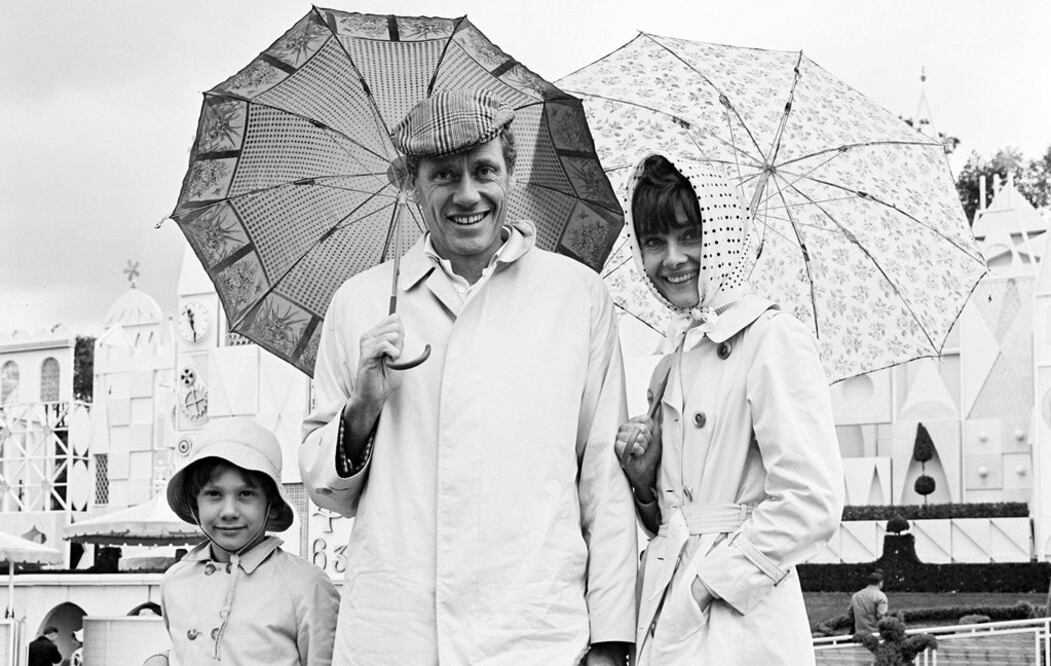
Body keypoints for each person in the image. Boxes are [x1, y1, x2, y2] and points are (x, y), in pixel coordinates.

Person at [300, 89, 638, 664]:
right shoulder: (360, 305)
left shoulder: (576, 297)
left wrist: (609, 639)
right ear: (411, 183)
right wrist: (361, 410)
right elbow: (325, 492)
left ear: (511, 172)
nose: (467, 194)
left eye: (484, 170)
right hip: (397, 635)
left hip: (535, 634)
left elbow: (604, 481)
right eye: (443, 175)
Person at [613, 152, 844, 664]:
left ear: (720, 236)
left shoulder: (771, 338)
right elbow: (673, 518)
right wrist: (646, 484)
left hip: (740, 618)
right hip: (669, 605)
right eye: (654, 242)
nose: (672, 258)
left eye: (690, 236)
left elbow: (812, 502)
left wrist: (706, 587)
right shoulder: (669, 359)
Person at [161, 418, 339, 665]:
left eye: (246, 494)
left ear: (272, 505)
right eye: (214, 494)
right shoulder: (175, 581)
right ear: (194, 504)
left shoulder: (307, 586)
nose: (229, 511)